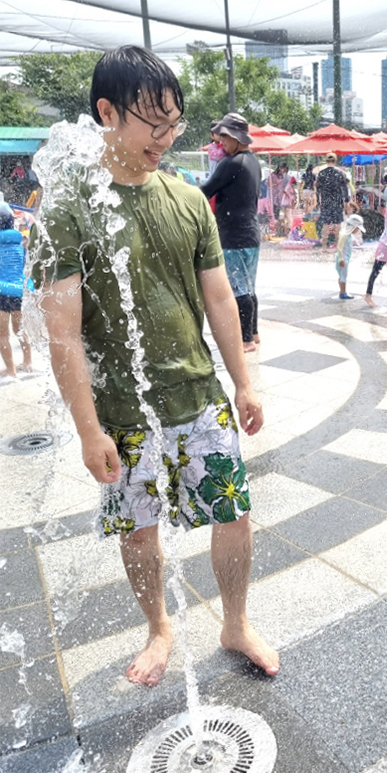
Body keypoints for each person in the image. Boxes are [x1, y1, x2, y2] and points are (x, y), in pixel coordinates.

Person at [31, 46, 278, 686]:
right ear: (107, 112)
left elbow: (219, 299)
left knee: (233, 514)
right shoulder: (67, 208)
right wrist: (89, 429)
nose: (167, 139)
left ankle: (235, 621)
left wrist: (244, 382)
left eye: (175, 124)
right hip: (121, 413)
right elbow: (63, 334)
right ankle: (159, 627)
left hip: (198, 395)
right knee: (139, 534)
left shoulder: (189, 199)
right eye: (154, 124)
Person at [201, 113, 263, 354]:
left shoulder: (231, 163)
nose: (221, 142)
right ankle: (254, 333)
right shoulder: (253, 162)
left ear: (236, 138)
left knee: (238, 289)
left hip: (234, 236)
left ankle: (245, 340)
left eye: (224, 137)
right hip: (251, 234)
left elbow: (205, 190)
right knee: (249, 287)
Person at [0, 203, 32, 378]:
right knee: (19, 329)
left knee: (2, 334)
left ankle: (10, 370)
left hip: (2, 291)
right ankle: (28, 362)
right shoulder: (21, 242)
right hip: (19, 291)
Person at [316, 152, 350, 249]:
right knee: (337, 224)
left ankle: (324, 247)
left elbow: (318, 190)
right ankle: (337, 247)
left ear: (326, 161)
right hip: (337, 201)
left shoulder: (321, 173)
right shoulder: (340, 173)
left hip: (325, 202)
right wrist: (346, 201)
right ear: (335, 161)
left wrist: (318, 202)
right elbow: (345, 189)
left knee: (326, 224)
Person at [335, 213, 365, 300]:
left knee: (341, 275)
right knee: (343, 276)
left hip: (344, 257)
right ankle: (343, 293)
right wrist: (341, 259)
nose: (358, 231)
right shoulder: (344, 234)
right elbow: (339, 248)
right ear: (353, 226)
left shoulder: (347, 233)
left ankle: (341, 291)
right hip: (343, 258)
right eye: (357, 228)